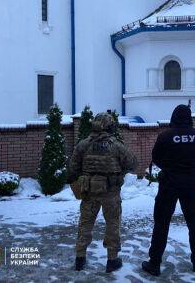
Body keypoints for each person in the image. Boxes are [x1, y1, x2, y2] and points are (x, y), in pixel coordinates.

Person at [68, 113, 137, 273]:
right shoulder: (116, 145)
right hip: (110, 192)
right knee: (112, 224)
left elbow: (73, 168)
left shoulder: (83, 144)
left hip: (89, 191)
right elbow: (132, 163)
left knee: (85, 224)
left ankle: (80, 258)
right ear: (109, 126)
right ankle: (112, 260)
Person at [142, 105, 195, 276]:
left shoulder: (165, 136)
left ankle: (154, 263)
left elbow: (156, 157)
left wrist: (169, 168)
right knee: (194, 223)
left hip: (169, 184)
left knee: (161, 223)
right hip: (190, 185)